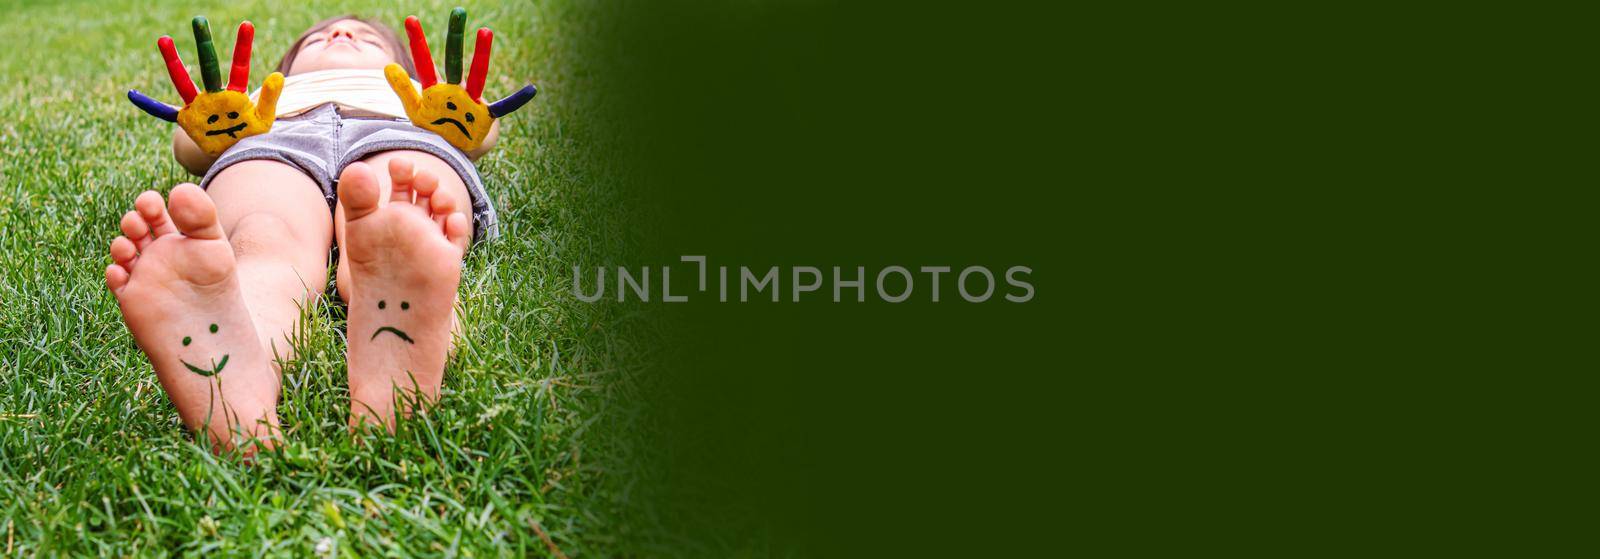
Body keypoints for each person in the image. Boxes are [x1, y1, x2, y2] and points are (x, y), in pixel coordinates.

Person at [104, 15, 498, 451]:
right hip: (274, 142)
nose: (341, 34)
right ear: (288, 67)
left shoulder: (425, 97)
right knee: (264, 238)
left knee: (403, 219)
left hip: (401, 136)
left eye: (367, 37)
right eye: (316, 37)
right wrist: (204, 124)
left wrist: (455, 106)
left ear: (403, 66)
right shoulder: (256, 100)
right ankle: (241, 362)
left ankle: (406, 316)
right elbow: (191, 149)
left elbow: (479, 133)